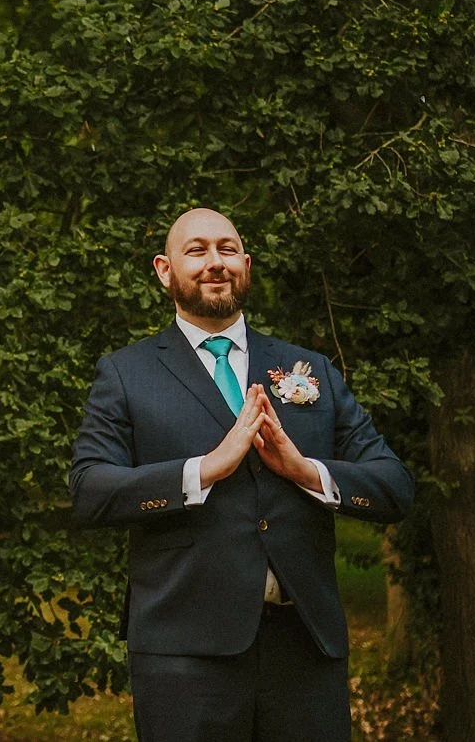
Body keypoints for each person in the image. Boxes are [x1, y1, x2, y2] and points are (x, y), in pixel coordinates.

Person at [70, 208, 415, 741]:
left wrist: (305, 471)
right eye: (197, 250)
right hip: (184, 656)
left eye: (227, 250)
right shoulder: (126, 374)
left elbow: (394, 486)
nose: (215, 263)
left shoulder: (308, 370)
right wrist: (204, 470)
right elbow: (90, 492)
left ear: (246, 264)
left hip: (305, 649)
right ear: (165, 270)